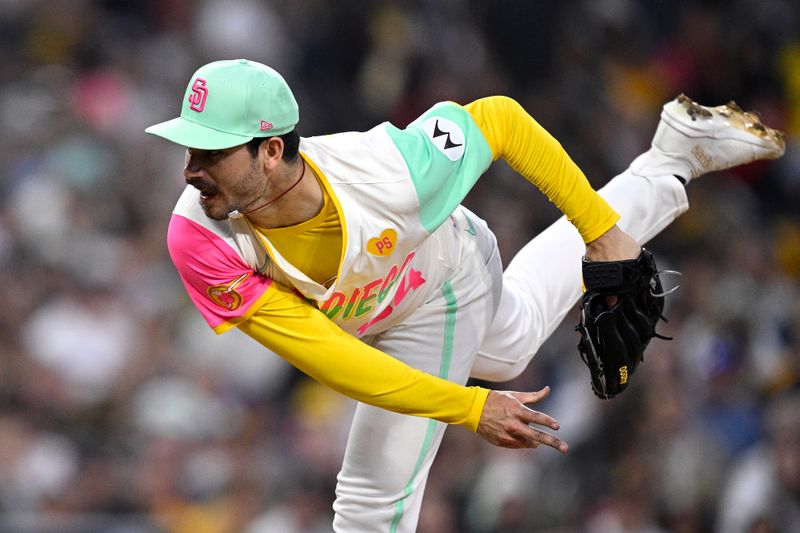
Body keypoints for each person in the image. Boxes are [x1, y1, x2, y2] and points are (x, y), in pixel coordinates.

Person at [145, 59, 784, 532]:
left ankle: (655, 179)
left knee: (371, 504)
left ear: (271, 149)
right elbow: (331, 361)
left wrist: (601, 232)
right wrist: (471, 406)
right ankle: (672, 160)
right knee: (512, 341)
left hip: (443, 284)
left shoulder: (395, 174)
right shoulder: (200, 236)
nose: (190, 168)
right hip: (380, 314)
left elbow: (500, 120)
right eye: (188, 147)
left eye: (210, 151)